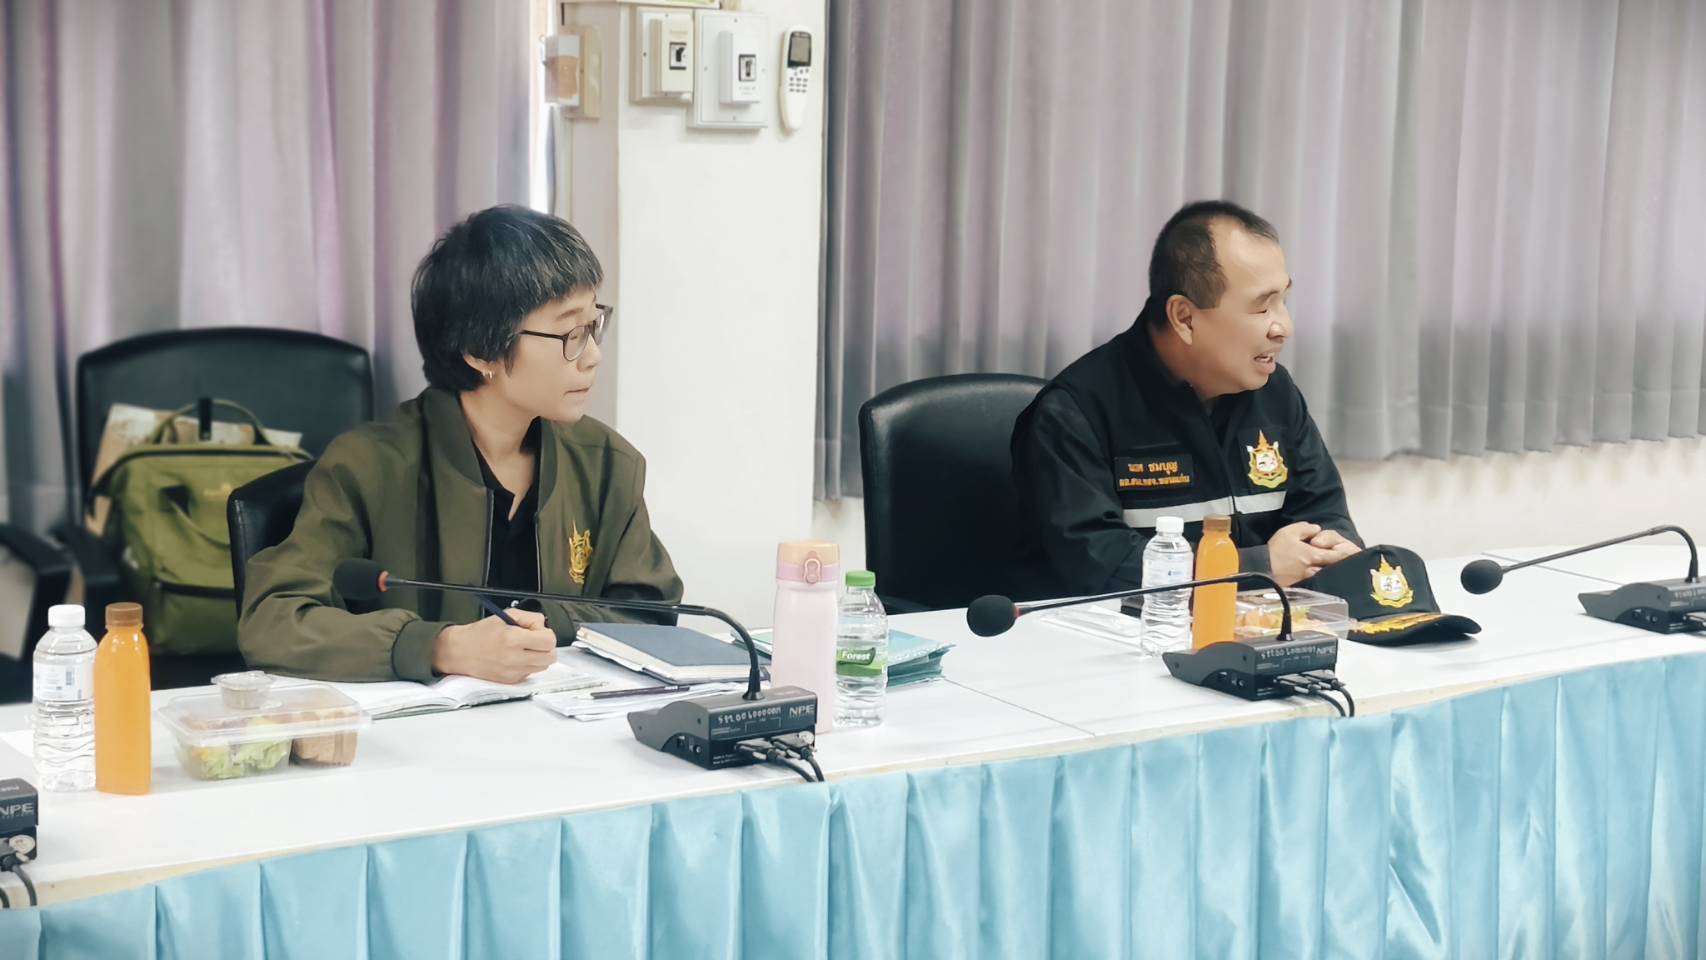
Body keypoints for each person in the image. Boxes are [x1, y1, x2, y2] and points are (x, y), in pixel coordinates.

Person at [240, 205, 682, 683]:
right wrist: (437, 647)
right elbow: (273, 622)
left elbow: (651, 613)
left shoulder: (606, 465)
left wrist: (549, 622)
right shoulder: (369, 467)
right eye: (570, 333)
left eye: (594, 326)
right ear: (480, 350)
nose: (592, 356)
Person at [1011, 200, 1362, 597]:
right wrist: (1256, 567)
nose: (1284, 327)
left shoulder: (1274, 392)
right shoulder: (1076, 412)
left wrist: (1331, 550)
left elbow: (1325, 513)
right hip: (1114, 631)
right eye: (1263, 307)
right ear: (1184, 317)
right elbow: (1100, 567)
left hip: (1259, 623)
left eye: (1284, 301)